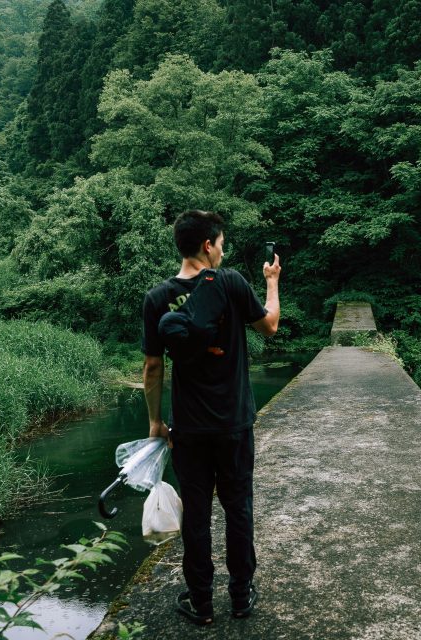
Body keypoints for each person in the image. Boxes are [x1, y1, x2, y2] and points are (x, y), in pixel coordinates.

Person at [140, 209, 280, 625]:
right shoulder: (232, 282)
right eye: (221, 242)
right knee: (238, 508)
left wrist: (155, 421)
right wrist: (272, 283)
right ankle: (241, 596)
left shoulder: (157, 298)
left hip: (189, 428)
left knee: (196, 513)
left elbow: (152, 367)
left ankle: (201, 602)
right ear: (208, 244)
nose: (223, 250)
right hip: (234, 423)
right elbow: (269, 326)